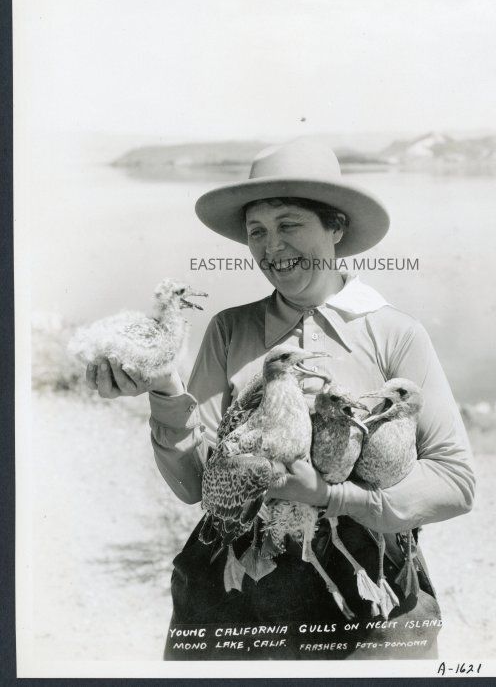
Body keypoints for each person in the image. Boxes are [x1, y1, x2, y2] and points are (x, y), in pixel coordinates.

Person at [87, 137, 475, 661]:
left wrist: (333, 496)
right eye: (257, 232)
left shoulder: (396, 334)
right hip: (239, 595)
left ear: (336, 228)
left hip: (371, 594)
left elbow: (455, 481)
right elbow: (195, 486)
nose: (272, 248)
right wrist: (164, 388)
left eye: (289, 225)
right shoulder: (230, 329)